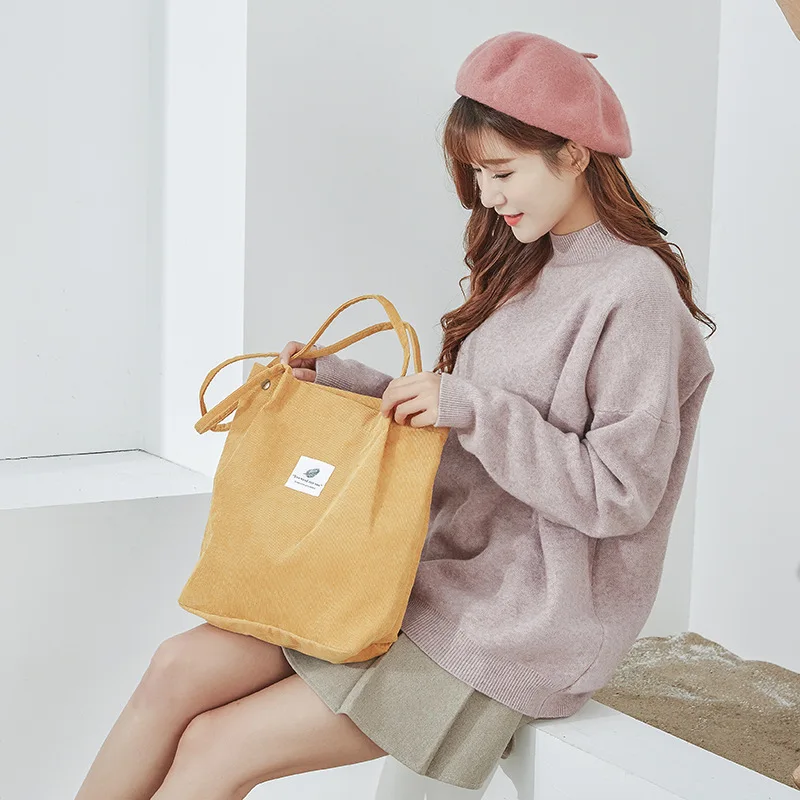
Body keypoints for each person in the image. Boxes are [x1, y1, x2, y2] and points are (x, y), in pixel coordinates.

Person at [75, 31, 716, 798]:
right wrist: (342, 383)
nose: (488, 197)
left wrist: (469, 407)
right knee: (175, 668)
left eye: (503, 172)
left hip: (517, 626)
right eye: (477, 175)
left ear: (575, 154)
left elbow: (620, 494)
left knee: (219, 745)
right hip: (420, 578)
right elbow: (468, 433)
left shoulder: (635, 294)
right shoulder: (526, 267)